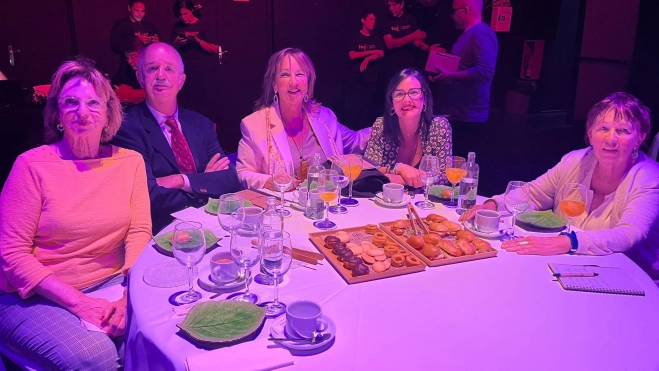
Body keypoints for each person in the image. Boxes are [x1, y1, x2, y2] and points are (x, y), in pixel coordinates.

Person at [0, 58, 152, 369]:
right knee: (98, 357)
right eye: (71, 102)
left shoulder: (130, 162)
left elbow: (139, 232)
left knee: (154, 337)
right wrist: (81, 303)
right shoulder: (31, 166)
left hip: (112, 285)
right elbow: (11, 255)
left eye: (93, 102)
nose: (82, 112)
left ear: (109, 113)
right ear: (56, 113)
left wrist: (128, 298)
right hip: (34, 295)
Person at [460, 92, 659, 283]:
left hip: (628, 279)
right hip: (568, 268)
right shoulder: (574, 161)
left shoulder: (649, 177)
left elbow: (629, 234)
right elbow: (534, 194)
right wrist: (494, 205)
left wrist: (569, 242)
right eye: (603, 129)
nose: (611, 139)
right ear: (590, 134)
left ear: (639, 138)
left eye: (623, 131)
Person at [112, 43, 242, 233]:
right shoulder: (127, 129)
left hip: (211, 227)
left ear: (181, 81)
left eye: (169, 69)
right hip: (162, 233)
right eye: (152, 68)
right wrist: (203, 183)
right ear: (140, 77)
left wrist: (181, 180)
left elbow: (231, 179)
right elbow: (148, 197)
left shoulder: (201, 124)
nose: (161, 76)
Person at [237, 47, 372, 191]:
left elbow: (356, 140)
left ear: (308, 83)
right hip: (284, 209)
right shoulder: (254, 125)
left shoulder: (325, 117)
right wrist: (269, 181)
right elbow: (243, 173)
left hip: (325, 203)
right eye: (285, 74)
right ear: (275, 85)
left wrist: (388, 124)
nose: (293, 82)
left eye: (300, 74)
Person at [430, 0, 497, 156]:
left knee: (462, 169)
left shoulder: (480, 33)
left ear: (465, 10)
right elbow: (463, 67)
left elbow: (485, 71)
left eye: (455, 10)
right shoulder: (469, 34)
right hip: (458, 113)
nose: (452, 16)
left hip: (469, 116)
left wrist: (451, 75)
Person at [364, 68, 452, 188]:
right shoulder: (381, 126)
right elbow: (369, 169)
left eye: (414, 92)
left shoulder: (439, 126)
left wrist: (403, 180)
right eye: (399, 94)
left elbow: (445, 176)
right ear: (391, 103)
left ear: (425, 99)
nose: (407, 100)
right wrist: (399, 168)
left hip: (424, 203)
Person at [171, 0, 222, 119]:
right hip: (184, 66)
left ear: (192, 11)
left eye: (186, 14)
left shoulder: (203, 25)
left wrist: (197, 40)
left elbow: (213, 49)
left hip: (202, 66)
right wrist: (176, 43)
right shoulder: (177, 27)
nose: (183, 17)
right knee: (187, 99)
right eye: (180, 15)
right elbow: (172, 49)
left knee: (204, 100)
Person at [342, 9, 386, 130]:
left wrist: (367, 59)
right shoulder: (355, 37)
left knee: (366, 110)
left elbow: (381, 53)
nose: (373, 22)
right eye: (371, 19)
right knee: (353, 109)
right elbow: (352, 55)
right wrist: (371, 52)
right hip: (356, 79)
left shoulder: (376, 38)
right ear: (363, 20)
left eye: (374, 20)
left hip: (371, 79)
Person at [381, 0, 440, 81]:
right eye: (389, 6)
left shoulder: (410, 18)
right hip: (392, 64)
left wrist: (428, 48)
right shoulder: (385, 20)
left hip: (409, 62)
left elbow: (416, 41)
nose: (391, 8)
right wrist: (413, 36)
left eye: (394, 5)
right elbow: (390, 44)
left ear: (402, 4)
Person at [110, 0, 159, 93]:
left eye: (142, 11)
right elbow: (114, 46)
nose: (140, 14)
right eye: (137, 10)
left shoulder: (149, 26)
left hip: (147, 69)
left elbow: (159, 44)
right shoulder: (120, 25)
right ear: (129, 8)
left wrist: (155, 42)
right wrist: (137, 41)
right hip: (128, 71)